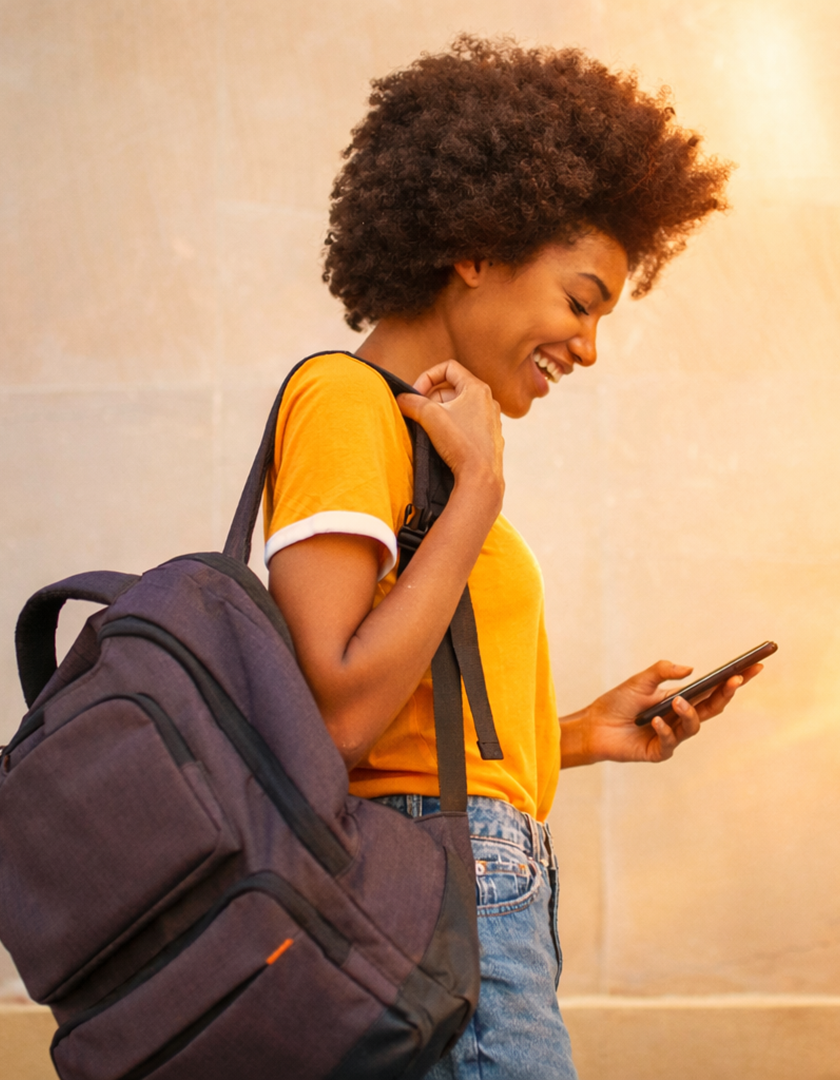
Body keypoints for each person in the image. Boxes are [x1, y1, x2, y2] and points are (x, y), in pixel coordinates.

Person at [263, 35, 760, 1080]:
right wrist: (481, 495)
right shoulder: (347, 404)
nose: (588, 346)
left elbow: (410, 722)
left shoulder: (420, 448)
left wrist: (576, 735)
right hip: (447, 889)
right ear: (477, 248)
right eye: (580, 301)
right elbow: (340, 714)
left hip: (478, 876)